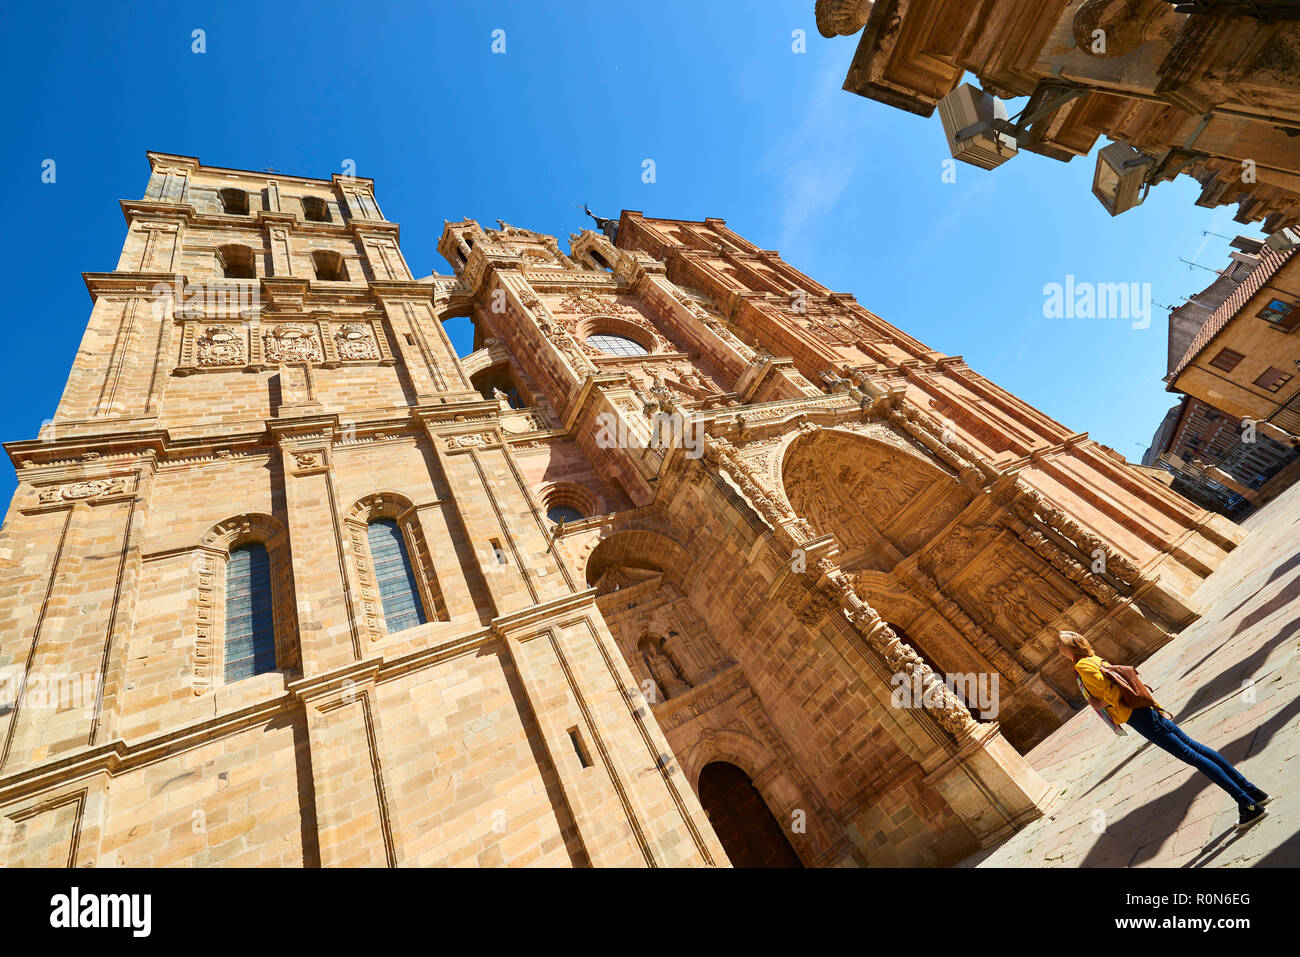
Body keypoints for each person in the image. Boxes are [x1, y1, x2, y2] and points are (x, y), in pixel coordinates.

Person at [1056, 630, 1271, 830]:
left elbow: (1112, 690)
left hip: (1137, 716)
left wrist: (1102, 703)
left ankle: (1248, 805)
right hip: (1144, 710)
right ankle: (1254, 792)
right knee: (1197, 749)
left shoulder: (1082, 667)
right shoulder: (1092, 659)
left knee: (1192, 755)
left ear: (1069, 647)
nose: (1057, 646)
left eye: (1060, 643)